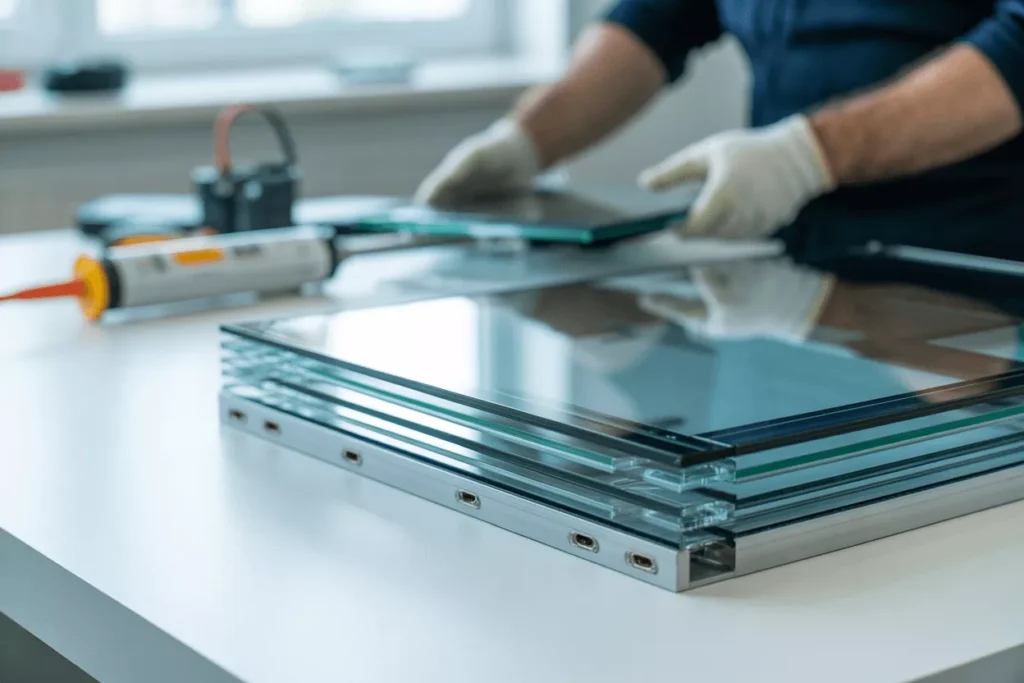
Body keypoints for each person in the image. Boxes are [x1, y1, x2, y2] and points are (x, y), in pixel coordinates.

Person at [415, 1, 1024, 258]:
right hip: (788, 270)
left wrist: (807, 155)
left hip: (971, 274)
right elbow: (659, 17)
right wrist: (527, 140)